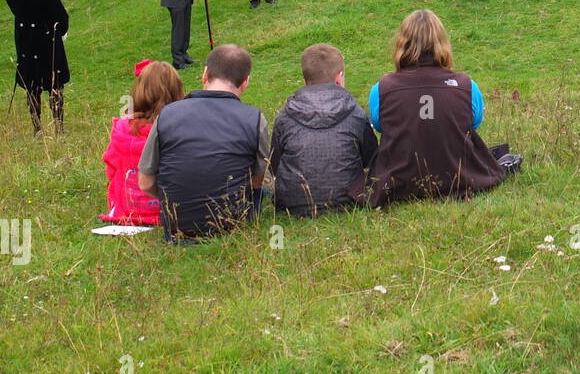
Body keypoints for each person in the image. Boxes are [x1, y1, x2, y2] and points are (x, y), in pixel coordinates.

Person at [353, 9, 513, 206]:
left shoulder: (382, 89)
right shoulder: (466, 86)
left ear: (401, 43)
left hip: (398, 181)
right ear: (443, 43)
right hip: (458, 176)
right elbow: (474, 122)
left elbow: (380, 126)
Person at [137, 44, 269, 242]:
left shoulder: (167, 115)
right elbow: (258, 179)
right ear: (245, 83)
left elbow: (145, 182)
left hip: (177, 228)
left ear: (205, 74)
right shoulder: (255, 119)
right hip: (232, 225)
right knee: (264, 190)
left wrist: (177, 197)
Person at [270, 43, 378, 218]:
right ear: (339, 78)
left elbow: (274, 163)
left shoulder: (285, 116)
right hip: (347, 200)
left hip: (292, 204)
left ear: (305, 79)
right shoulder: (356, 113)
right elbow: (370, 157)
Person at [99, 59, 185, 225]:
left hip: (126, 212)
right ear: (177, 92)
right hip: (168, 211)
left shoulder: (122, 128)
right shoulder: (180, 129)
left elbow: (111, 169)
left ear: (139, 91)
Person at [6, 0, 70, 133]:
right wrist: (60, 32)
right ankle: (59, 127)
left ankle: (37, 128)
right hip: (47, 43)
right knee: (54, 84)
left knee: (32, 85)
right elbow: (61, 18)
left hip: (26, 44)